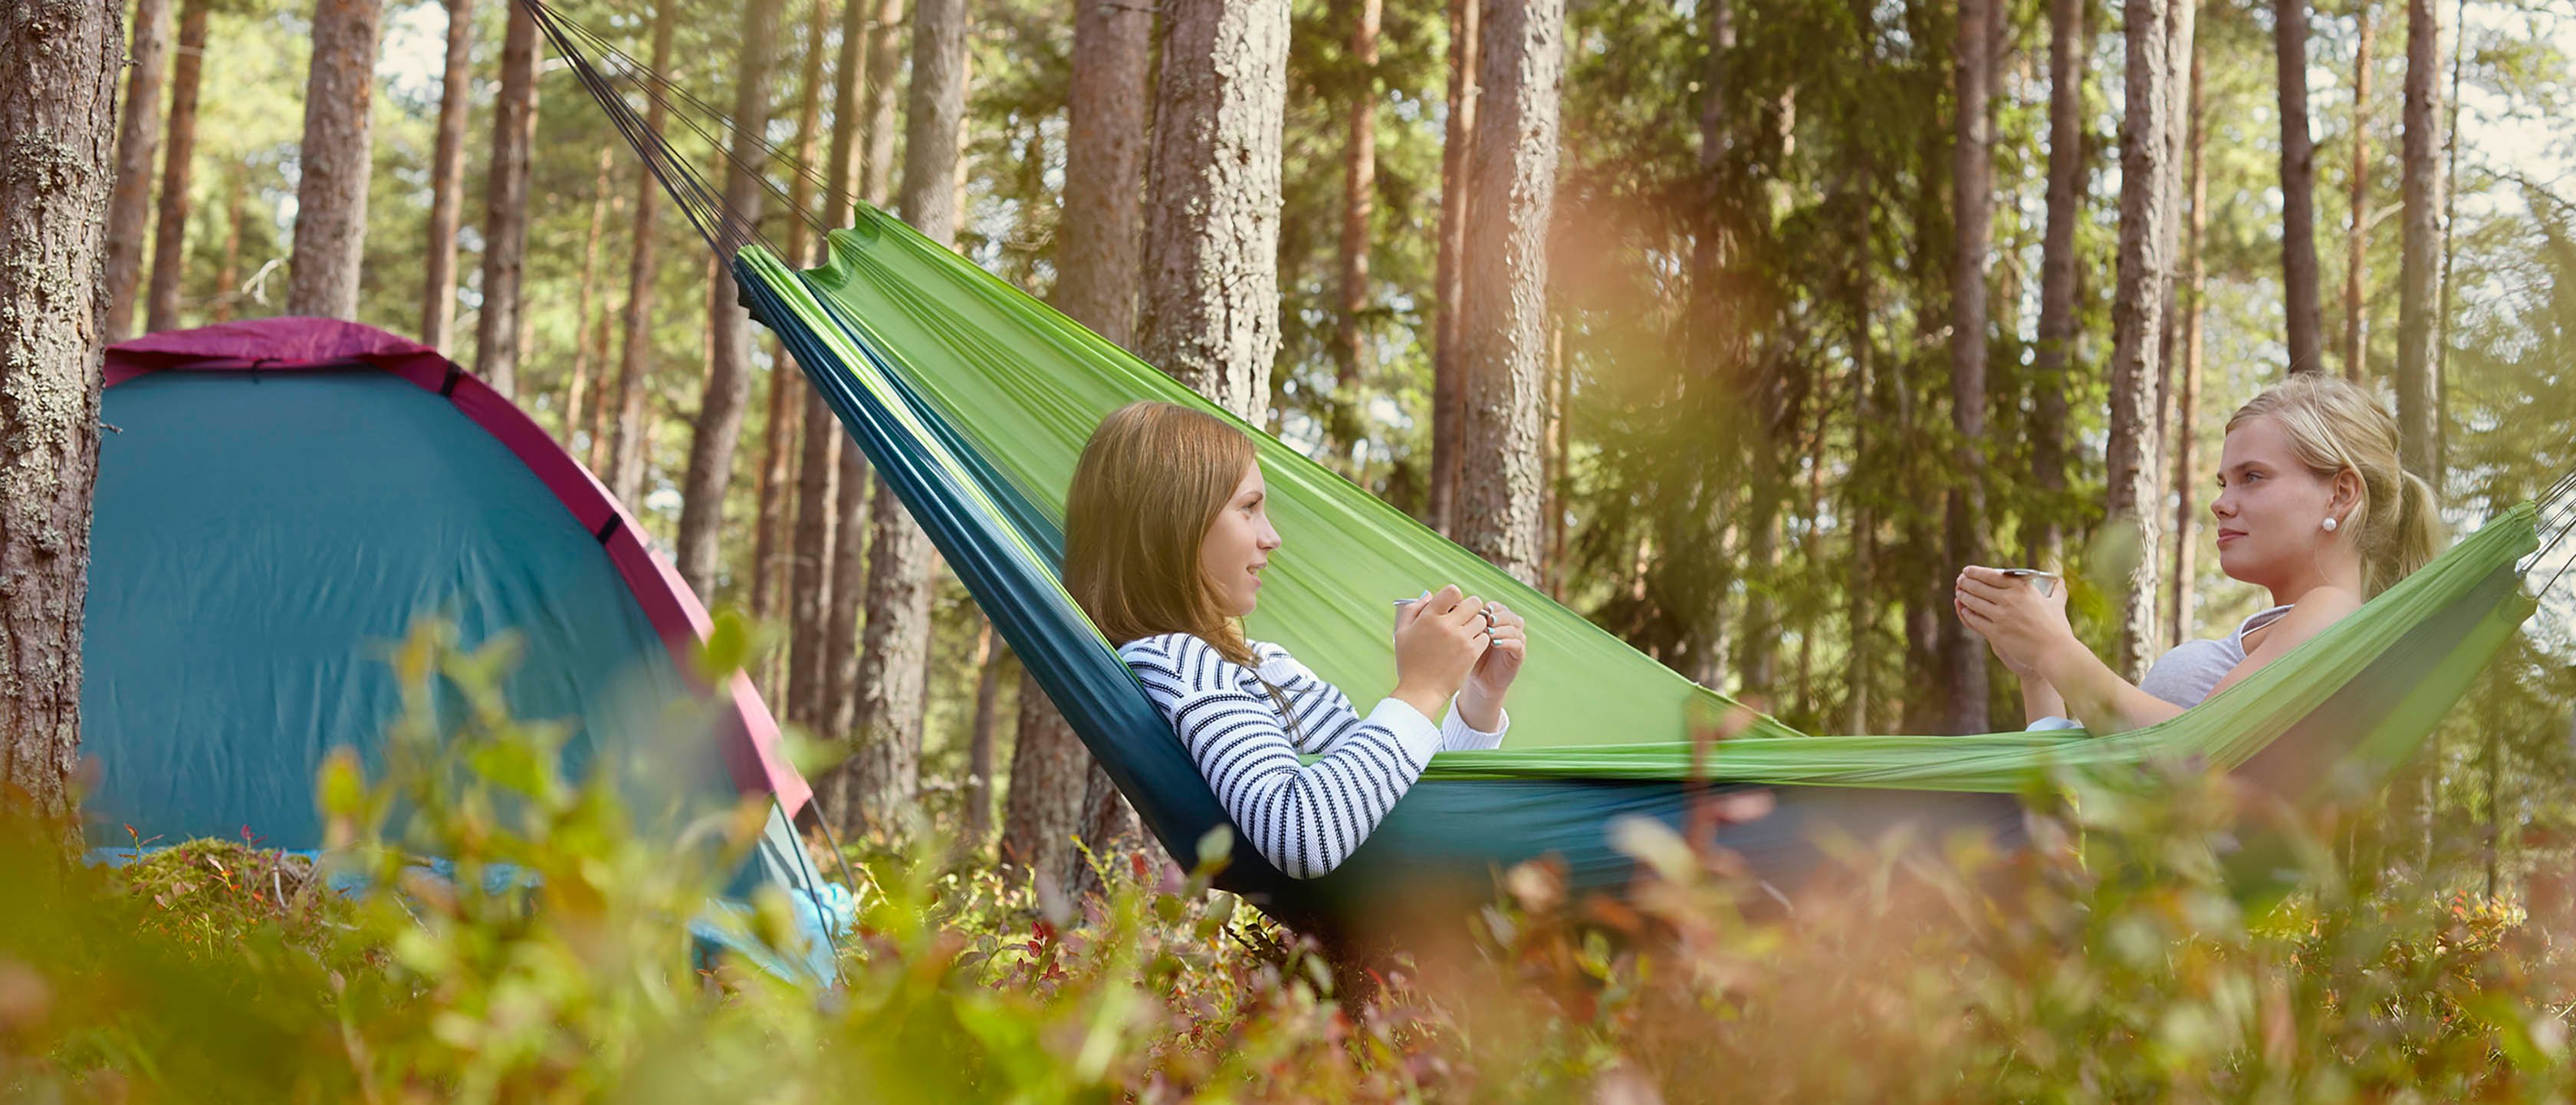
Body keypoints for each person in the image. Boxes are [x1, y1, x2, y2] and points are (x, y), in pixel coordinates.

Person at [1063, 400, 1529, 878]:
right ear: (1173, 522)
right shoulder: (1177, 662)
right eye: (1249, 509)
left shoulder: (1253, 663)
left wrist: (1478, 695)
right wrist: (1423, 687)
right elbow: (1301, 834)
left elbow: (1400, 805)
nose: (1272, 537)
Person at [1957, 374, 2444, 734]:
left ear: (2340, 494)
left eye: (2252, 477)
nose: (2220, 502)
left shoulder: (2333, 611)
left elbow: (2197, 756)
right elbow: (2082, 797)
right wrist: (2038, 673)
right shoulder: (2285, 634)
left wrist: (2055, 648)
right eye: (2223, 482)